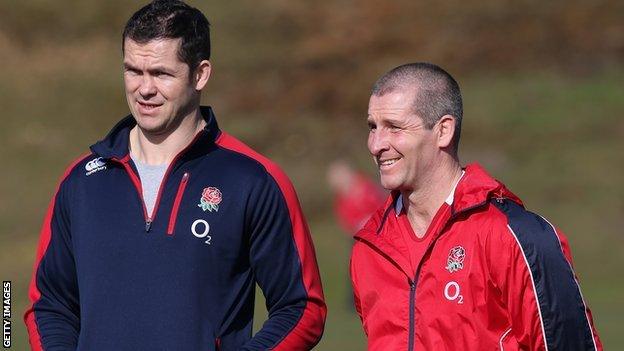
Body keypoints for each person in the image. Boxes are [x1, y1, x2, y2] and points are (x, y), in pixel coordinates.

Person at [24, 1, 326, 350]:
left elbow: (302, 308)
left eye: (161, 74)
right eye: (133, 71)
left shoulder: (253, 180)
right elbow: (49, 305)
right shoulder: (81, 182)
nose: (144, 89)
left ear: (200, 74)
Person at [350, 62, 602, 350]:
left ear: (443, 131)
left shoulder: (516, 236)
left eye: (394, 127)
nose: (375, 144)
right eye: (373, 127)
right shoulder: (369, 248)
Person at [327, 160, 386, 236]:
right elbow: (347, 224)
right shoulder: (340, 203)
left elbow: (381, 203)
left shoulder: (366, 187)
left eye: (343, 175)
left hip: (382, 225)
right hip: (364, 235)